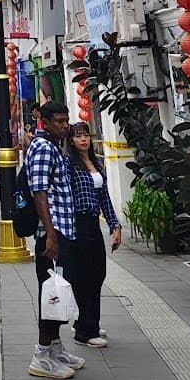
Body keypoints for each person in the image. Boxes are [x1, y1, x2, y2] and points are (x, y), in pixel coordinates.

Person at [26, 101, 83, 380]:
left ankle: (55, 349)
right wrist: (50, 234)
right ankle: (41, 353)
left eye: (66, 120)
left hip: (64, 230)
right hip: (53, 233)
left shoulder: (56, 146)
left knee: (59, 292)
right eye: (59, 121)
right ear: (45, 122)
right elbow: (39, 192)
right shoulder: (42, 148)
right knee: (52, 294)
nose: (65, 125)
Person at [66, 122, 122, 348]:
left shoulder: (97, 163)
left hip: (92, 224)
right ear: (71, 141)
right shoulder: (70, 165)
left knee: (97, 274)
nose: (83, 140)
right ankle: (86, 330)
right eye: (78, 136)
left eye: (86, 135)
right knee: (84, 277)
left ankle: (88, 322)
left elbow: (105, 198)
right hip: (77, 224)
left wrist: (115, 225)